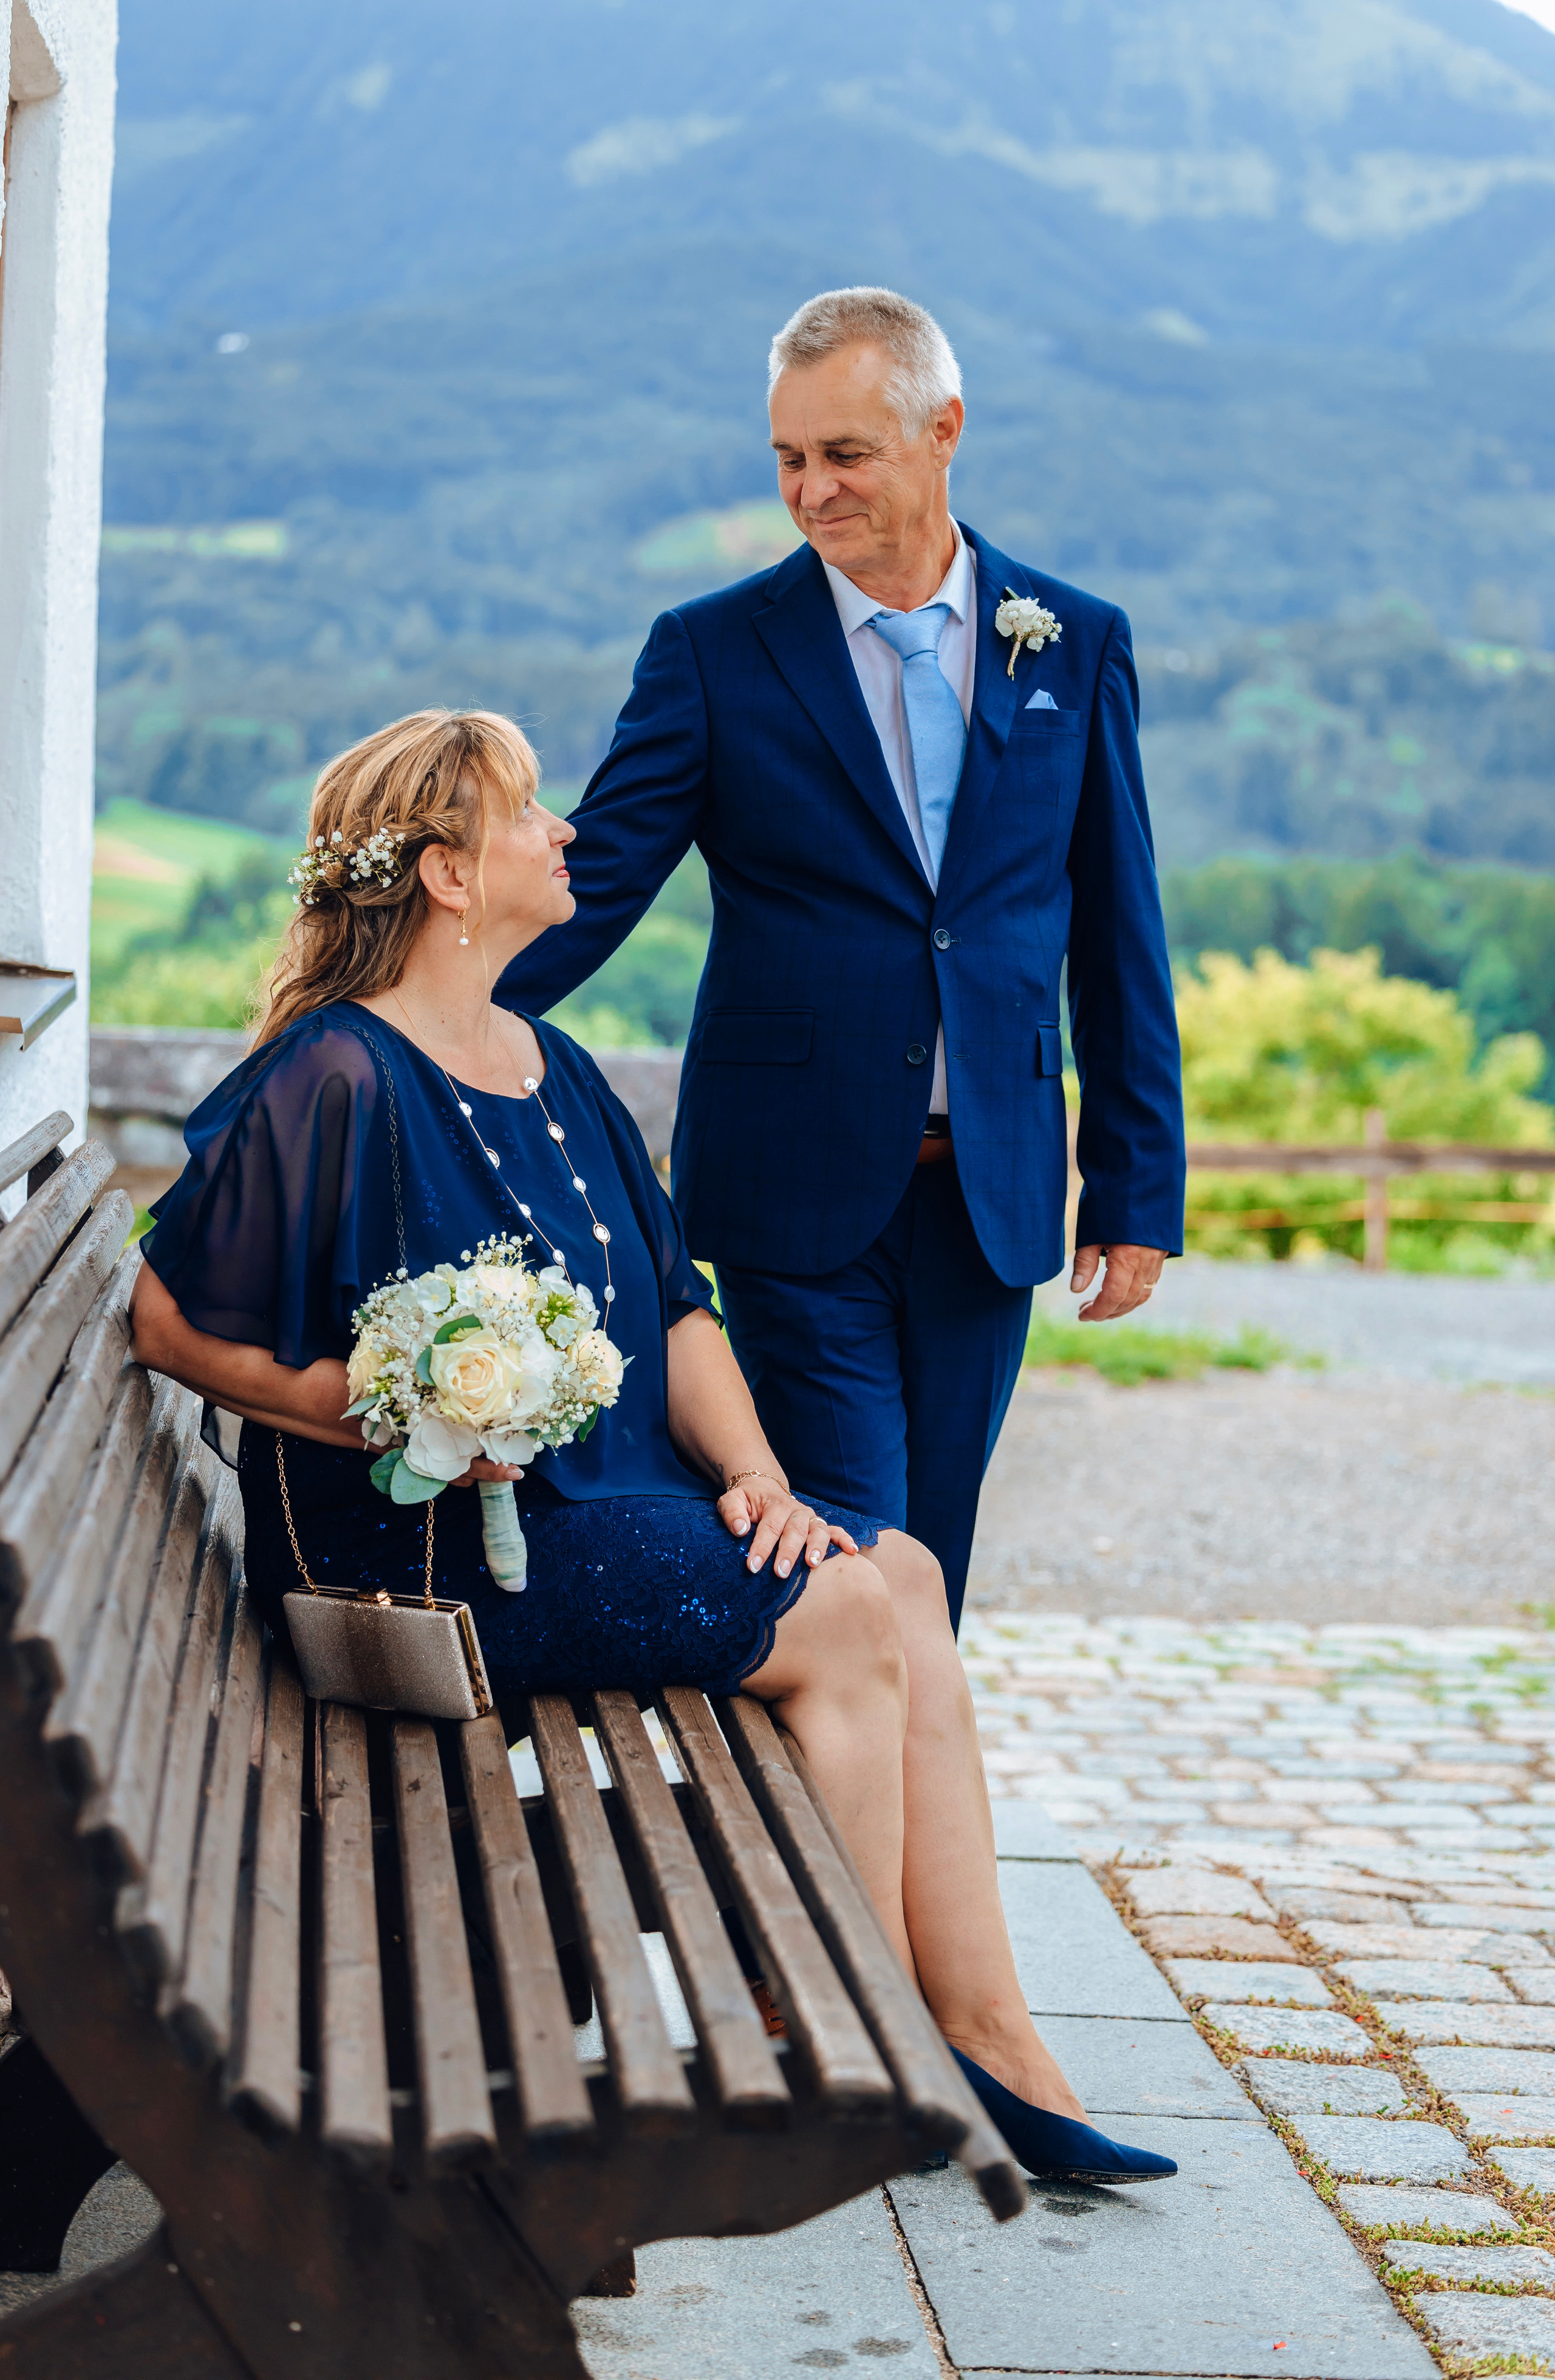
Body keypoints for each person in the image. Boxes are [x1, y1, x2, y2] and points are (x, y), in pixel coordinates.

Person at [130, 708, 1174, 2188]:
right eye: (528, 812)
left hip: (584, 1511)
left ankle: (987, 2033)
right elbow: (168, 1323)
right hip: (433, 1563)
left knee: (904, 1572)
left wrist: (754, 1474)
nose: (563, 834)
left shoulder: (548, 1066)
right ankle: (859, 2041)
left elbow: (676, 1311)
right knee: (840, 1612)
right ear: (442, 874)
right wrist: (396, 1415)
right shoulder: (337, 1076)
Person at [494, 287, 1186, 1636]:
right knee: (854, 1563)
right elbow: (601, 883)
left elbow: (1117, 929)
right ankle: (851, 1850)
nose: (809, 491)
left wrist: (1133, 1183)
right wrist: (412, 1015)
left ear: (942, 431)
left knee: (933, 1556)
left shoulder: (1073, 639)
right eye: (787, 459)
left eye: (843, 456)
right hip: (789, 1193)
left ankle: (886, 1836)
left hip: (989, 1200)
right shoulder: (708, 652)